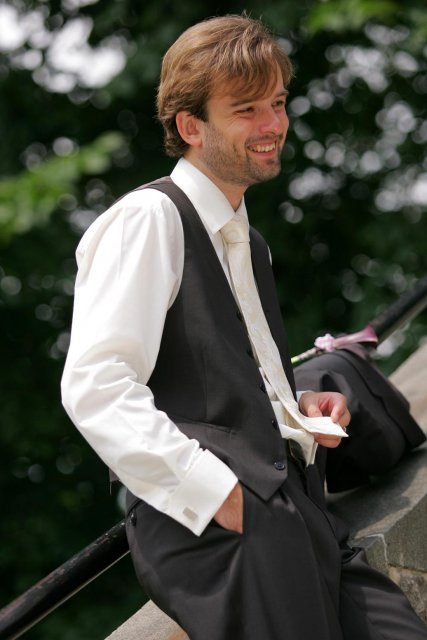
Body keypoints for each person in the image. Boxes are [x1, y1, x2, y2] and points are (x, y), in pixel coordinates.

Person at [61, 14, 427, 640]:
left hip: (297, 509)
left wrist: (294, 407)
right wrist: (217, 494)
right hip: (230, 525)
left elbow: (220, 384)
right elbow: (95, 385)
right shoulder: (150, 218)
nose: (273, 124)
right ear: (190, 126)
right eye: (247, 109)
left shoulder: (246, 241)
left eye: (278, 103)